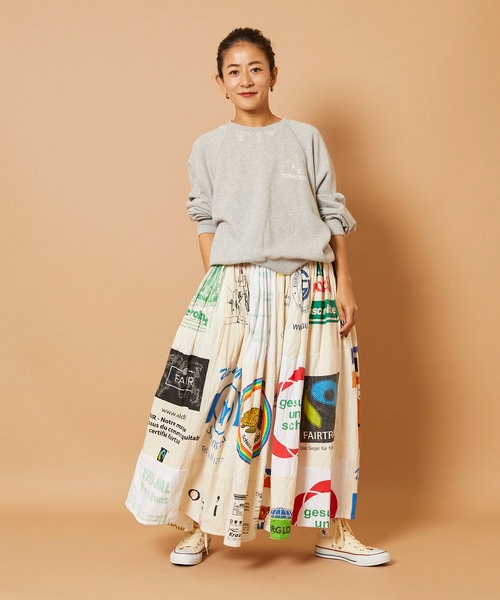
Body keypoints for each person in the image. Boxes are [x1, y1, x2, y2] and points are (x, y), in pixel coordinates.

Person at [126, 27, 390, 568]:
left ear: (273, 74)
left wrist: (344, 283)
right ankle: (199, 524)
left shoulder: (305, 138)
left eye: (255, 68)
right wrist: (219, 281)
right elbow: (203, 218)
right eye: (234, 71)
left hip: (309, 286)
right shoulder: (208, 147)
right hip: (237, 286)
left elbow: (332, 212)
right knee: (217, 404)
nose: (245, 79)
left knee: (319, 405)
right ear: (220, 83)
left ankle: (335, 528)